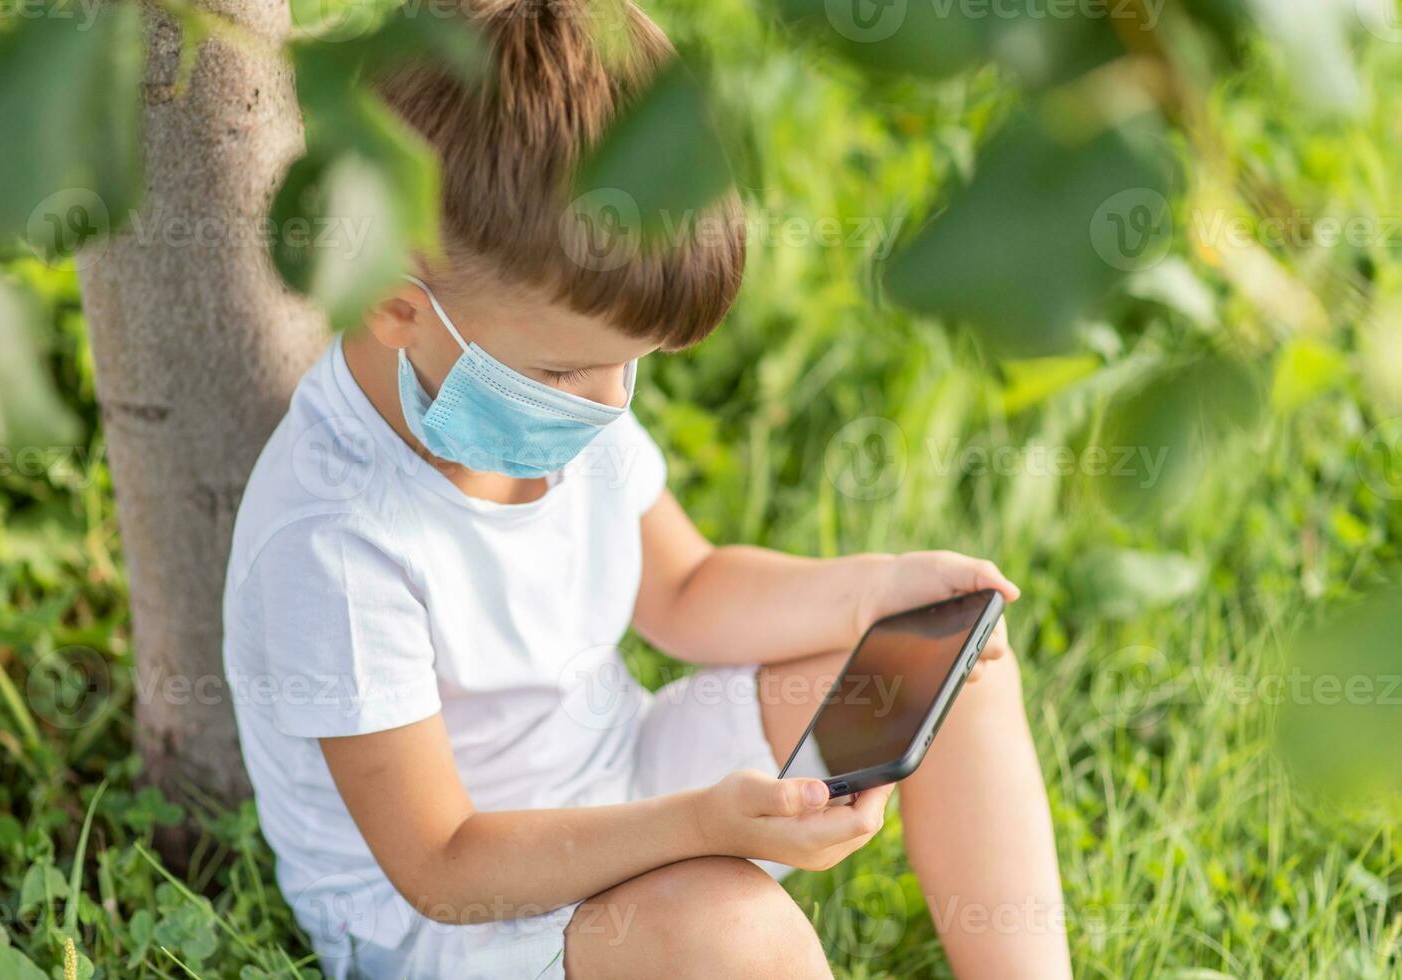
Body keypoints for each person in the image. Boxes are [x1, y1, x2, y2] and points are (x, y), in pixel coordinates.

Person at [222, 2, 1071, 976]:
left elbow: (686, 588)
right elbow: (441, 864)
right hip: (461, 920)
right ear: (394, 300)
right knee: (732, 929)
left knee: (942, 662)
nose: (607, 402)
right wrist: (697, 827)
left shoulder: (535, 373)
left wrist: (872, 592)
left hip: (614, 770)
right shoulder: (334, 537)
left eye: (626, 366)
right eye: (566, 374)